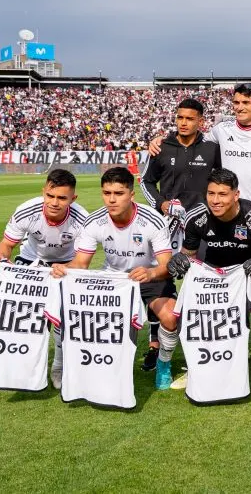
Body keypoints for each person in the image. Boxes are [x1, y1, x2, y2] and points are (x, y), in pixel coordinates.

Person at [150, 168, 251, 392]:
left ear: (236, 195)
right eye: (211, 194)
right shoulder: (196, 216)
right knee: (198, 313)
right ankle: (196, 368)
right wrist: (178, 262)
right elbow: (187, 255)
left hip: (247, 274)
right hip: (213, 274)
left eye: (222, 194)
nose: (215, 200)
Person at [51, 167, 177, 391]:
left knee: (170, 317)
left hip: (150, 277)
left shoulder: (152, 220)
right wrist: (63, 267)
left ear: (131, 194)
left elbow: (167, 265)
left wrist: (149, 273)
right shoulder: (94, 221)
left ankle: (164, 364)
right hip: (114, 280)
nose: (111, 199)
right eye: (106, 193)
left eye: (118, 193)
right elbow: (81, 263)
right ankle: (101, 365)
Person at [0, 169, 88, 391]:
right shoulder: (26, 211)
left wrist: (64, 269)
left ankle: (58, 369)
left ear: (73, 199)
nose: (54, 202)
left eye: (62, 198)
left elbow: (81, 261)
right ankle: (2, 371)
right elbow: (7, 244)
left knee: (61, 320)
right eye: (50, 196)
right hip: (30, 263)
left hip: (64, 266)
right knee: (15, 318)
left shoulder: (83, 220)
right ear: (43, 192)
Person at [148, 83, 251, 248]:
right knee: (230, 272)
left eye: (246, 102)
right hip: (230, 216)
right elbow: (191, 140)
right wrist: (163, 139)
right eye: (236, 102)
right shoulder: (221, 130)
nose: (239, 107)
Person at [139, 97, 220, 371]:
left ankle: (200, 346)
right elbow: (146, 181)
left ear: (200, 121)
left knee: (201, 283)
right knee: (160, 281)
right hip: (166, 226)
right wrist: (161, 204)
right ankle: (154, 346)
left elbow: (221, 180)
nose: (183, 123)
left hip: (202, 227)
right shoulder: (162, 146)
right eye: (180, 118)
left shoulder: (211, 148)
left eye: (189, 118)